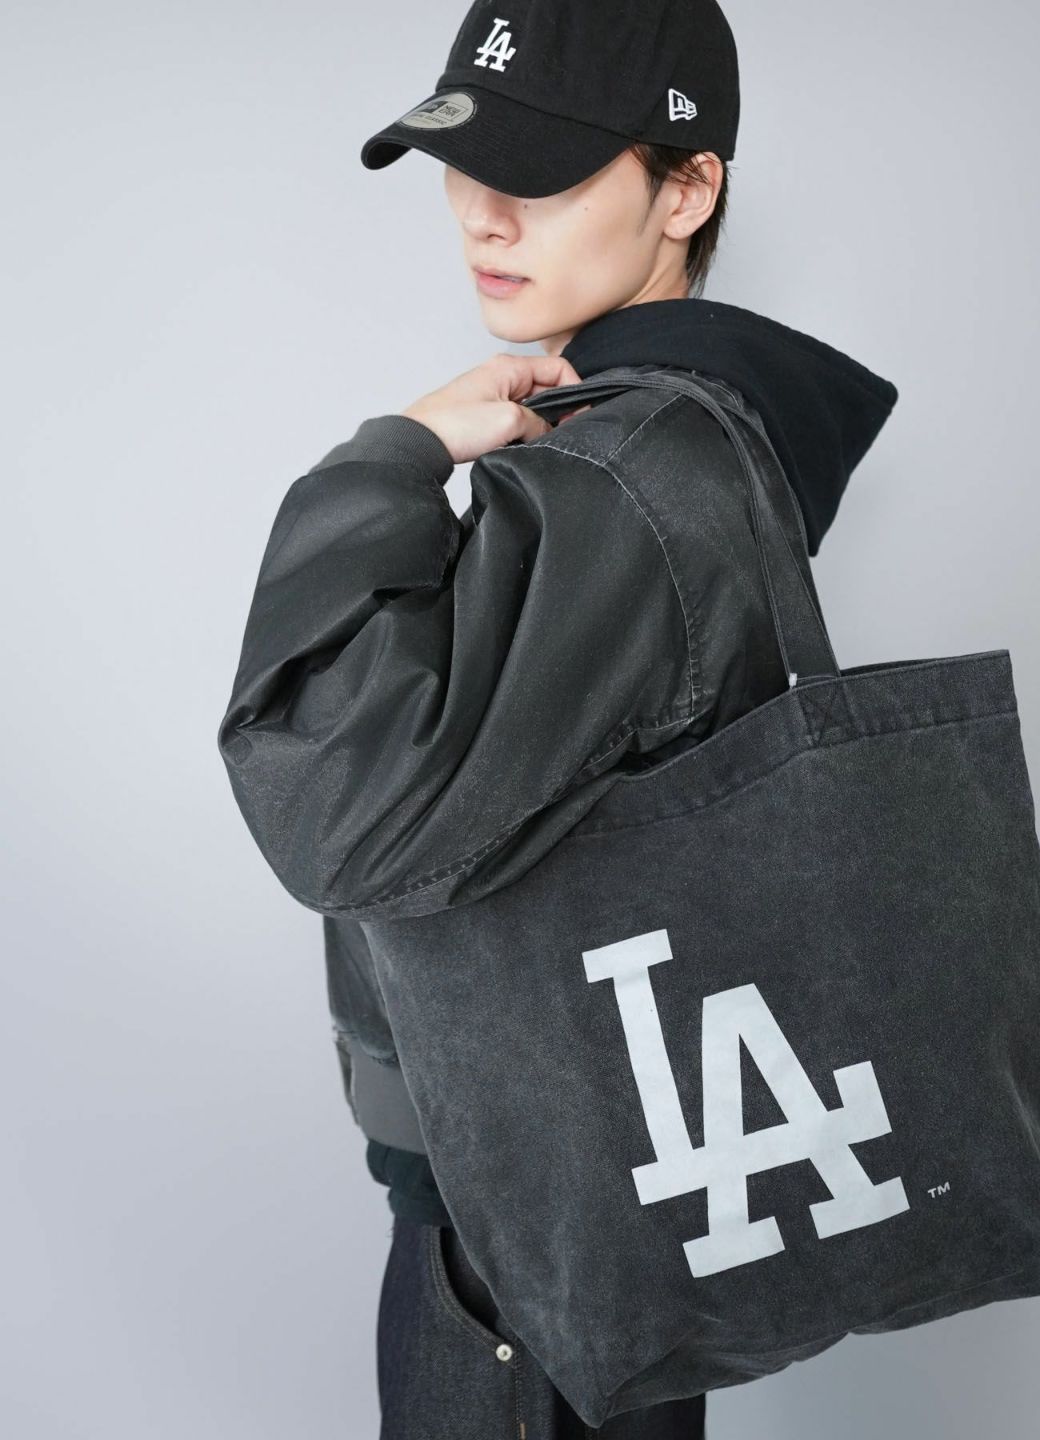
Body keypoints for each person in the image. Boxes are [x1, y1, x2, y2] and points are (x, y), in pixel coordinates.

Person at [217, 2, 898, 1435]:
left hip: (525, 1227)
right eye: (465, 167)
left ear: (688, 189)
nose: (482, 215)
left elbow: (338, 814)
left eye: (541, 172)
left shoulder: (625, 475)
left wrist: (387, 461)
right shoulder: (652, 438)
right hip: (585, 1187)